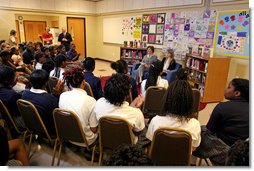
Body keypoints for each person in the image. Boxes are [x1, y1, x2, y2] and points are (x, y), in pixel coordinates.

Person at [193, 78, 249, 165]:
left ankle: (192, 163)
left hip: (224, 150)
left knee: (195, 131)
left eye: (229, 87)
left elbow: (210, 129)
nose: (225, 89)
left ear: (237, 93)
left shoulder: (222, 107)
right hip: (242, 153)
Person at [146, 80, 201, 152]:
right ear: (190, 102)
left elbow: (150, 143)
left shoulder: (156, 121)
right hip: (182, 162)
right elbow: (193, 148)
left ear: (167, 99)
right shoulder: (195, 125)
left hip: (158, 160)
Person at [93, 73, 145, 144]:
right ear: (126, 95)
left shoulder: (98, 103)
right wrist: (138, 108)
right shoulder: (136, 113)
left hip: (105, 141)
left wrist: (133, 107)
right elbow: (138, 132)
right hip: (127, 146)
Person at [59, 66, 98, 146]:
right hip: (86, 140)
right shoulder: (91, 101)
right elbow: (94, 130)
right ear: (83, 82)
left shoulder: (62, 95)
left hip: (67, 136)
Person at [22, 69, 61, 135]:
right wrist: (57, 95)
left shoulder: (25, 93)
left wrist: (54, 95)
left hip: (32, 125)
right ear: (46, 83)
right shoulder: (50, 99)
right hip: (49, 130)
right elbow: (58, 115)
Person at [0, 66, 26, 137]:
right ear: (8, 80)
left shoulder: (5, 90)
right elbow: (21, 112)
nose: (17, 78)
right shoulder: (12, 95)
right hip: (16, 120)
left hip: (7, 118)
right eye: (15, 77)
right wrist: (27, 85)